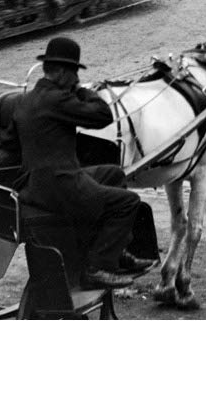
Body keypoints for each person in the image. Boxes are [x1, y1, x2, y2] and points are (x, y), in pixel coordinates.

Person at [12, 36, 157, 288]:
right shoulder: (58, 99)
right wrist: (82, 90)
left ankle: (116, 249)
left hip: (37, 183)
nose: (76, 78)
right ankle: (98, 266)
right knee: (127, 202)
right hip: (59, 186)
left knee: (113, 174)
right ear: (62, 72)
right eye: (74, 73)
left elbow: (9, 135)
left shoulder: (27, 99)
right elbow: (103, 115)